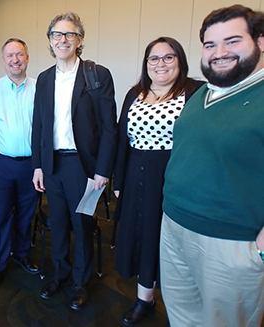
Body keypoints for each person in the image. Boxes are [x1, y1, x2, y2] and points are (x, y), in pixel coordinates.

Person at [160, 5, 264, 327]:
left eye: (232, 41)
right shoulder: (203, 92)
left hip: (231, 244)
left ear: (261, 41)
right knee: (182, 317)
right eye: (210, 44)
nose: (219, 53)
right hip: (175, 227)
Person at [113, 37, 203, 325]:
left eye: (168, 57)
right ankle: (145, 299)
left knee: (173, 242)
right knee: (141, 236)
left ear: (180, 61)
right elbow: (121, 139)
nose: (160, 64)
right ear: (146, 63)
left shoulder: (196, 92)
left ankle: (182, 306)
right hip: (135, 174)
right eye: (154, 58)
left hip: (175, 175)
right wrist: (118, 179)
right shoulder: (134, 93)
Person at [32, 12, 117, 310]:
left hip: (84, 167)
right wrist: (38, 166)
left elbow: (110, 127)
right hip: (52, 164)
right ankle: (61, 273)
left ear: (79, 40)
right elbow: (38, 126)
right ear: (50, 40)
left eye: (70, 34)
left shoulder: (97, 75)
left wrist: (103, 170)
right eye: (57, 34)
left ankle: (81, 282)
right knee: (57, 223)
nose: (63, 40)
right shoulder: (43, 79)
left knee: (82, 225)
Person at [0, 38, 39, 292]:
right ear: (3, 60)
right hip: (0, 163)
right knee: (1, 215)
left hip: (32, 165)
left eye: (20, 55)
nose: (15, 60)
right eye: (10, 55)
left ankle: (22, 253)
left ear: (27, 58)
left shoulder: (40, 88)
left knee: (26, 213)